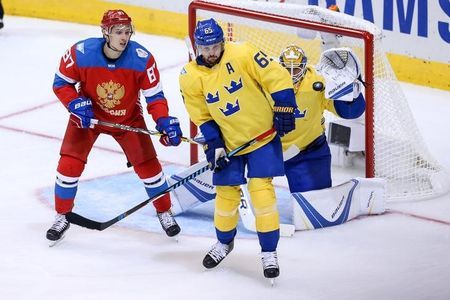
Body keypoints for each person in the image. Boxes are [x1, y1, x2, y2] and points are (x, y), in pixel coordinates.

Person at [47, 9, 183, 245]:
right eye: (118, 32)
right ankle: (62, 215)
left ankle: (164, 211)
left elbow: (155, 97)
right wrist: (74, 103)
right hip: (88, 119)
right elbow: (61, 84)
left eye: (127, 31)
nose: (124, 37)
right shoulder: (81, 53)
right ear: (105, 32)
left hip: (128, 119)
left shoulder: (142, 59)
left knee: (150, 168)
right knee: (68, 164)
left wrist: (163, 120)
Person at [179, 18, 297, 280]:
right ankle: (224, 243)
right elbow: (202, 116)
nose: (210, 53)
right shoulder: (189, 76)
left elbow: (275, 76)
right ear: (196, 46)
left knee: (261, 193)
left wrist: (285, 104)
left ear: (223, 42)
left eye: (215, 46)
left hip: (261, 138)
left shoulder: (242, 52)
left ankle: (269, 252)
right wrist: (215, 143)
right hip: (229, 144)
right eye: (204, 47)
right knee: (225, 195)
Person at [279, 44, 365, 193]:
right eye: (287, 69)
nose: (292, 74)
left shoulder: (318, 83)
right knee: (246, 187)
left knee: (315, 197)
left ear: (304, 67)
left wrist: (352, 95)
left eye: (296, 69)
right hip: (269, 149)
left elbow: (349, 113)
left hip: (308, 150)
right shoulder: (267, 81)